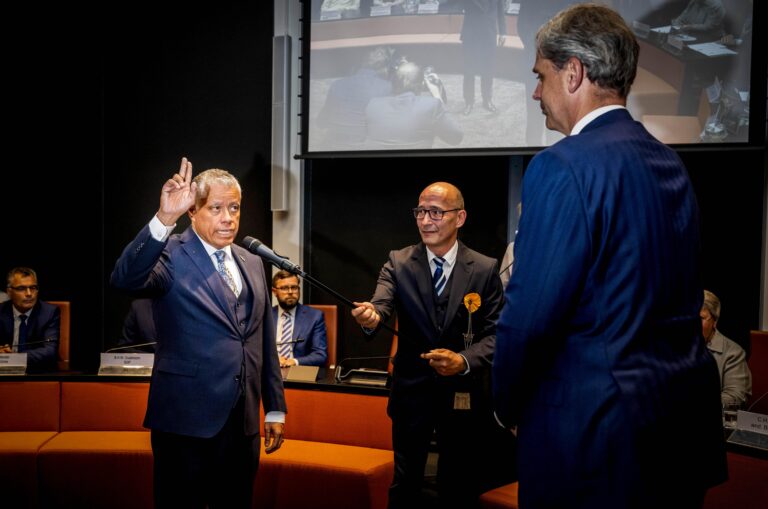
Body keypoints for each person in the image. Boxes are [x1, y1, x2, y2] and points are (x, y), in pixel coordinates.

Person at [492, 5, 726, 509]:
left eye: (540, 76)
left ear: (573, 71)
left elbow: (530, 316)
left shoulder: (560, 167)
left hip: (594, 441)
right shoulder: (669, 162)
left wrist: (505, 404)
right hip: (679, 430)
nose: (536, 92)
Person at [110, 157, 286, 509]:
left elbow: (262, 339)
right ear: (193, 211)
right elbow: (124, 278)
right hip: (185, 421)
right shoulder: (171, 254)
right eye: (217, 208)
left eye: (234, 207)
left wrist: (275, 409)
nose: (228, 217)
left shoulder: (251, 260)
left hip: (243, 422)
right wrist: (164, 220)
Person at [352, 182, 516, 508]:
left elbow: (498, 333)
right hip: (411, 392)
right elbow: (380, 304)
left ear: (460, 217)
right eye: (420, 211)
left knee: (458, 484)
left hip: (463, 395)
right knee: (405, 482)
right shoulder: (398, 262)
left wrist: (464, 360)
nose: (426, 220)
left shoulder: (484, 269)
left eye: (436, 212)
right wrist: (371, 316)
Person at [365, 61, 463, 149]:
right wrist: (437, 96)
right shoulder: (431, 106)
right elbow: (455, 138)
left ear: (393, 82)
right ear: (421, 85)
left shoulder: (373, 105)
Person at [316, 46, 394, 151]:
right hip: (365, 147)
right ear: (384, 67)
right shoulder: (387, 87)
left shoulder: (337, 84)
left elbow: (321, 122)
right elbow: (388, 124)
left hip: (334, 146)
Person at [0, 267, 60, 372]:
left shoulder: (49, 313)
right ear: (9, 292)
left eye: (33, 287)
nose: (29, 293)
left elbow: (50, 351)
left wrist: (15, 358)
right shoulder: (1, 311)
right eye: (21, 288)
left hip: (37, 373)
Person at [701, 290, 752, 408]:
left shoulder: (733, 353)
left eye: (701, 318)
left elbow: (735, 396)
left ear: (715, 321)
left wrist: (696, 403)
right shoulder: (677, 347)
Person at [272, 270, 328, 367]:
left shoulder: (314, 317)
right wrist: (274, 359)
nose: (290, 292)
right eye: (285, 288)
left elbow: (320, 355)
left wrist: (294, 361)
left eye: (294, 287)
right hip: (270, 372)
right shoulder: (264, 315)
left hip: (299, 374)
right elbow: (254, 350)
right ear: (274, 292)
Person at [460, 0, 507, 115]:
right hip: (470, 32)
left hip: (489, 32)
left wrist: (503, 32)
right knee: (469, 70)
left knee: (488, 69)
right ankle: (469, 102)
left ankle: (487, 100)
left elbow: (500, 10)